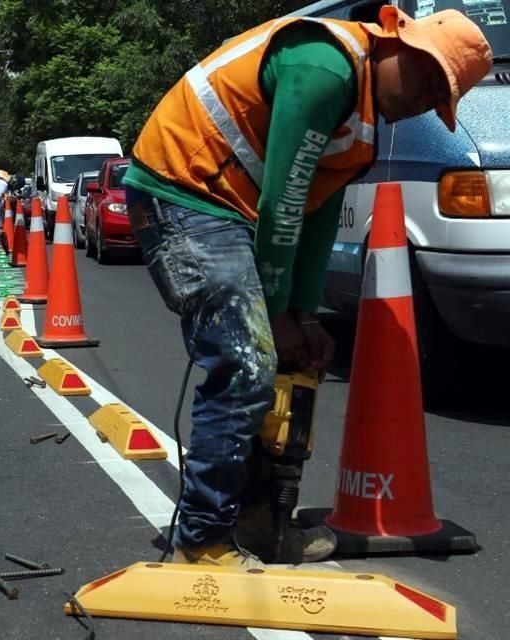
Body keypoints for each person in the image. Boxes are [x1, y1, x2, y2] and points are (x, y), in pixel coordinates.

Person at [122, 7, 491, 568]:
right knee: (247, 361)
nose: (421, 101)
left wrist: (305, 315)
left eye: (438, 99)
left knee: (292, 363)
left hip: (233, 210)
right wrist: (277, 313)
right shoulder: (327, 66)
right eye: (425, 80)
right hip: (182, 191)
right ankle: (200, 540)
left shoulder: (362, 122)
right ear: (397, 44)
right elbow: (283, 202)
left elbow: (317, 213)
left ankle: (256, 520)